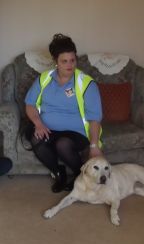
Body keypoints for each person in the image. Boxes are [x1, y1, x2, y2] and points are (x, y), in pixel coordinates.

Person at [25, 33, 103, 193]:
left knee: (63, 144)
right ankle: (58, 172)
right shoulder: (44, 79)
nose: (70, 65)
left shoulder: (86, 83)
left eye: (73, 60)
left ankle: (78, 174)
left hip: (76, 133)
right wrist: (38, 124)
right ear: (55, 61)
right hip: (48, 128)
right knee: (35, 137)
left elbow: (94, 117)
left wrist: (94, 146)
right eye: (64, 61)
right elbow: (30, 104)